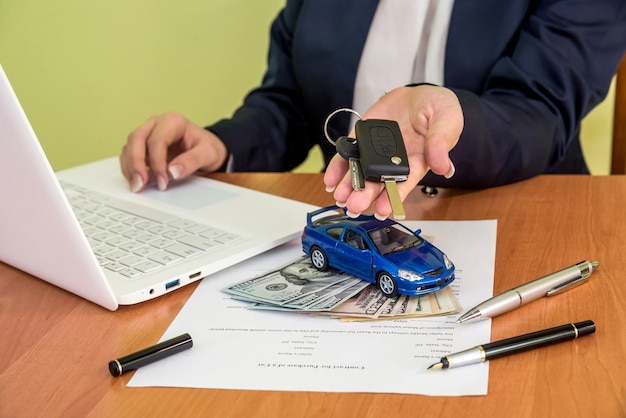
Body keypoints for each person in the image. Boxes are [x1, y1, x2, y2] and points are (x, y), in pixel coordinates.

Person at [119, 0, 626, 219]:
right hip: (353, 222)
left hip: (523, 222)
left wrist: (453, 117)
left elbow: (541, 108)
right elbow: (291, 101)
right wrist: (223, 144)